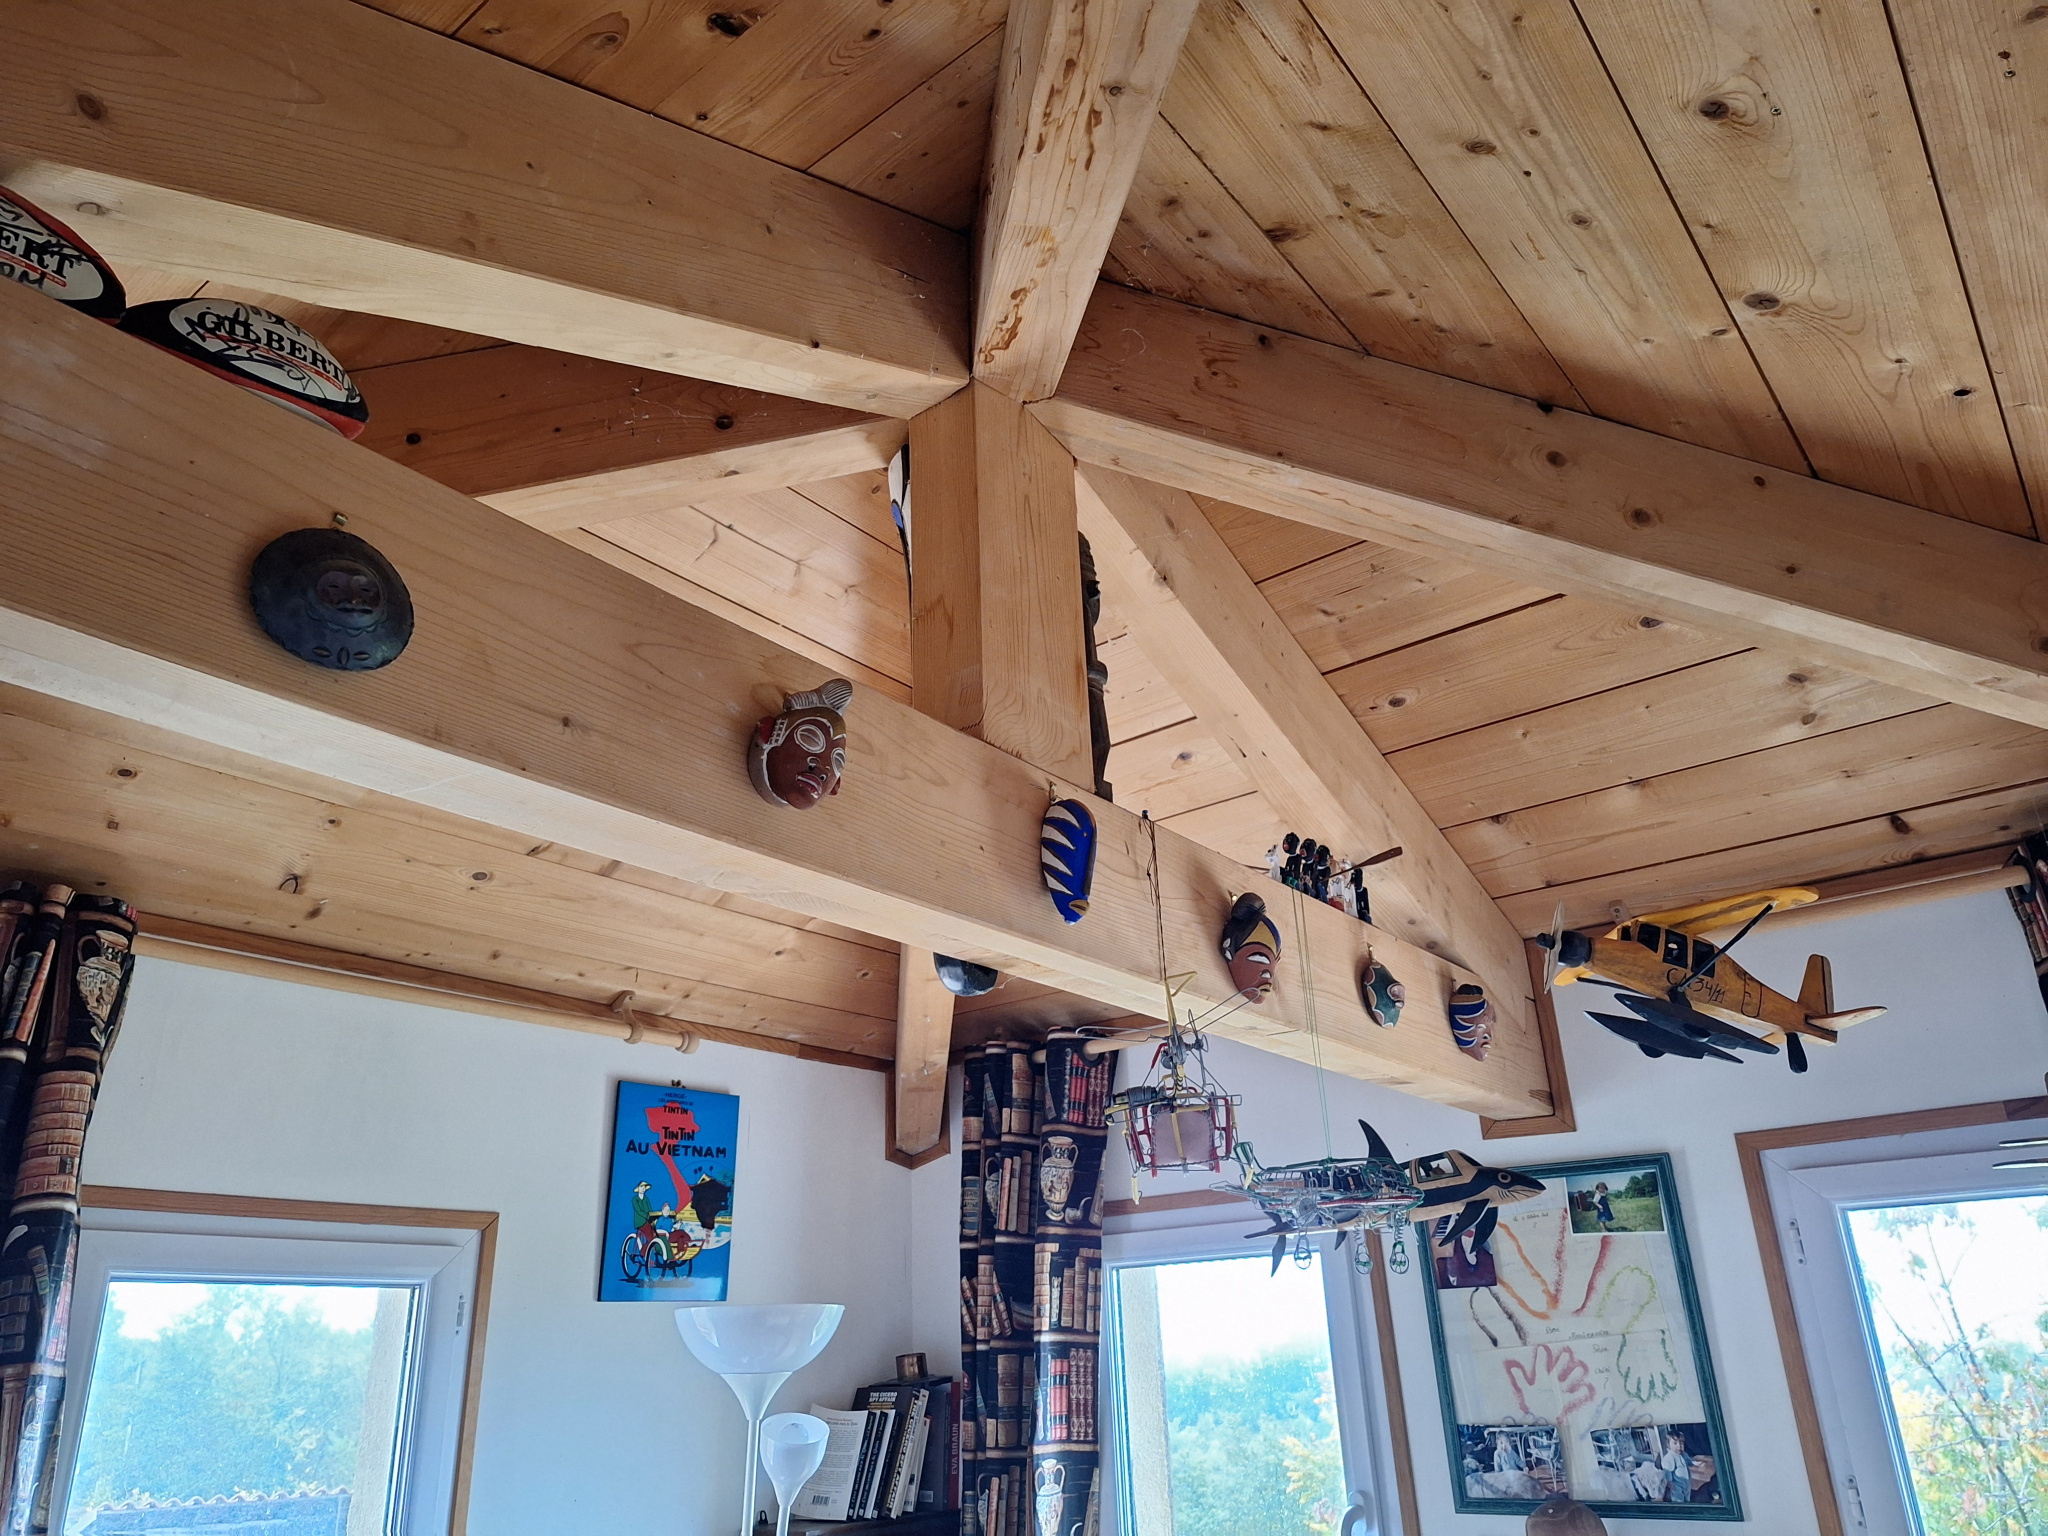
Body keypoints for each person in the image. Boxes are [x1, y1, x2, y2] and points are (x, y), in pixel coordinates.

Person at [1661, 1432, 1694, 1503]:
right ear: (1668, 1445)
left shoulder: (1684, 1454)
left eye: (1681, 1443)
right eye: (1675, 1443)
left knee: (1687, 1496)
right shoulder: (1669, 1458)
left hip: (1686, 1481)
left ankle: (1687, 1504)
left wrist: (1693, 1463)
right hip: (1676, 1484)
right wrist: (1669, 1481)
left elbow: (1689, 1461)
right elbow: (1667, 1471)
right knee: (1678, 1498)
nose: (1679, 1446)